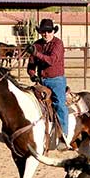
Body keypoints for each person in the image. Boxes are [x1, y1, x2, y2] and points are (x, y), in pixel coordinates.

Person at [25, 18, 73, 148]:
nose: (46, 34)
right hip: (41, 80)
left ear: (53, 31)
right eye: (43, 32)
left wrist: (36, 53)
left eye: (48, 31)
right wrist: (32, 75)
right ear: (40, 32)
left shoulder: (58, 44)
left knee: (59, 104)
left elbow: (51, 60)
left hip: (56, 79)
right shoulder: (37, 44)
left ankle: (64, 136)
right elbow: (31, 65)